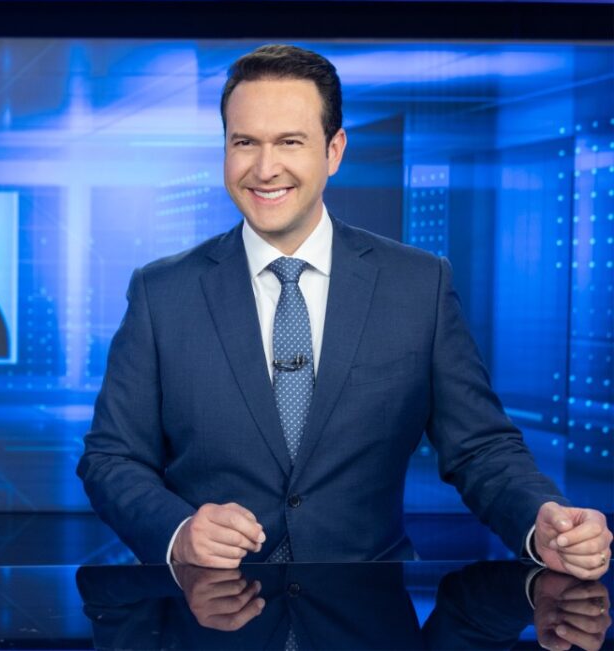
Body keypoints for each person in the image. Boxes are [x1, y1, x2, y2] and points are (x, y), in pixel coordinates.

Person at [77, 44, 611, 579]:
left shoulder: (418, 285)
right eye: (245, 143)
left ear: (334, 151)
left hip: (369, 604)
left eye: (290, 142)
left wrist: (540, 520)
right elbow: (110, 458)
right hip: (213, 606)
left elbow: (480, 449)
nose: (265, 168)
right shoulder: (162, 293)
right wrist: (179, 532)